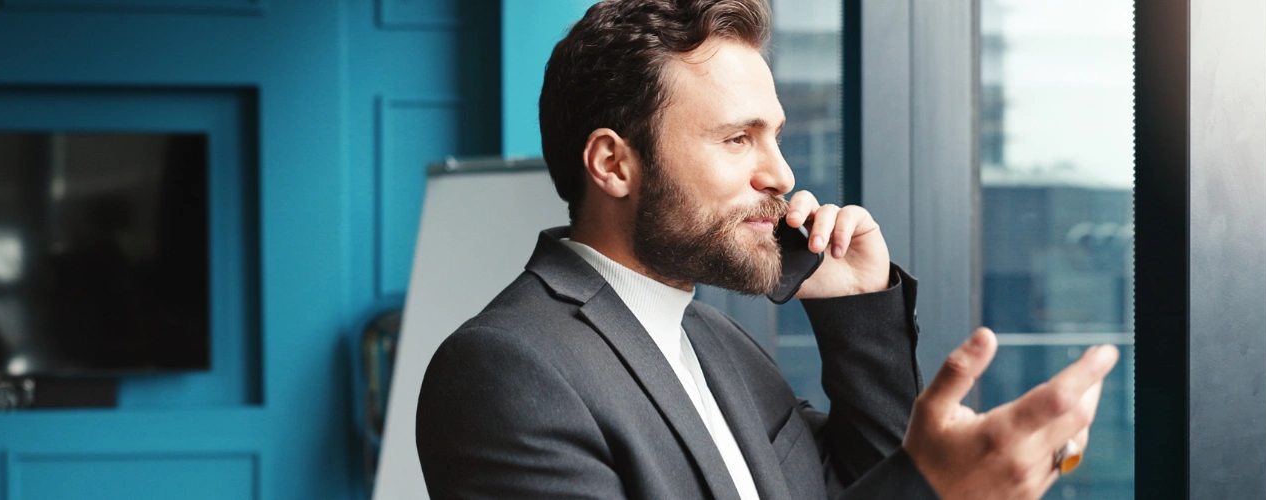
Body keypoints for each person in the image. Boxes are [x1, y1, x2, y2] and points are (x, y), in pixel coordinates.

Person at [415, 1, 1119, 498]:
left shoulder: (717, 343)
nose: (781, 174)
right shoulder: (506, 370)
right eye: (737, 138)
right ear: (613, 165)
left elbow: (862, 485)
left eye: (775, 136)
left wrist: (858, 315)